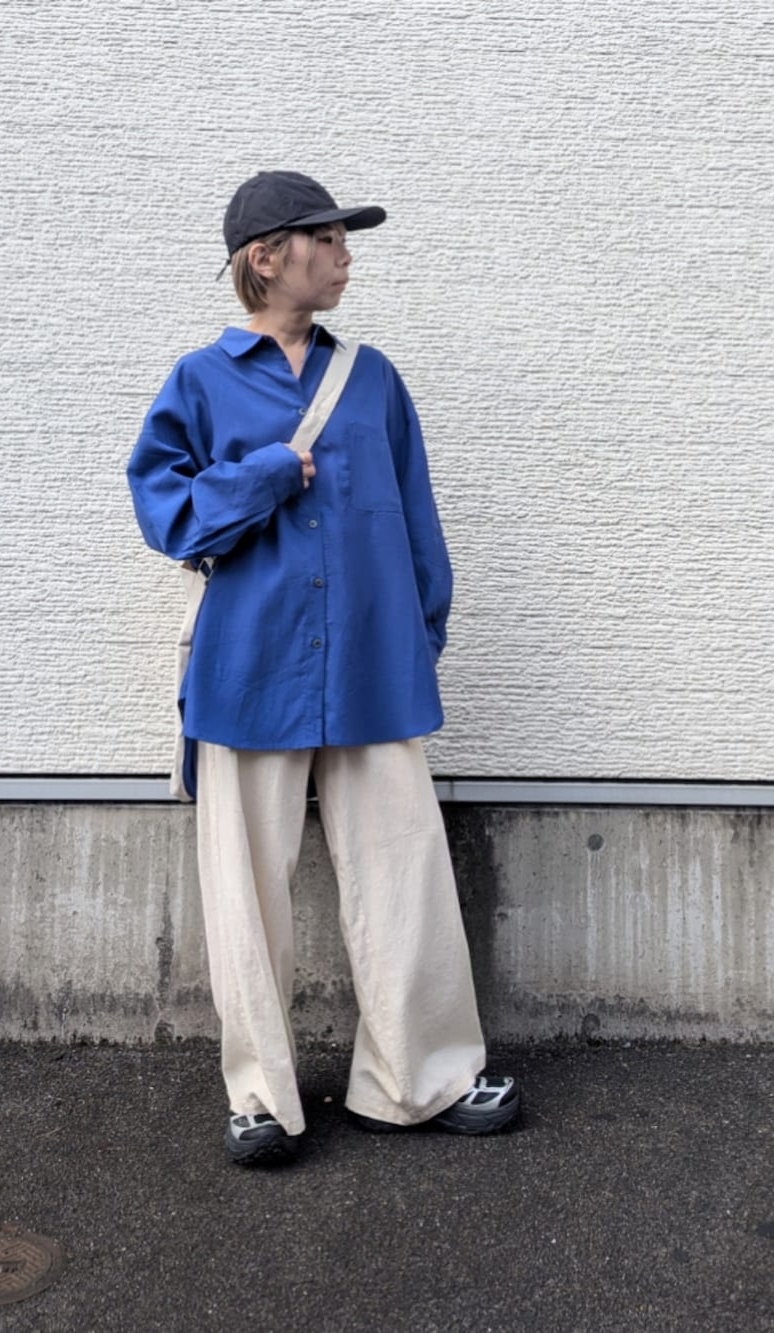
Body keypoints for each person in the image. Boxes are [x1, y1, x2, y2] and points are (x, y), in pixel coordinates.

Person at [127, 170, 520, 1164]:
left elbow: (416, 519)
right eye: (329, 239)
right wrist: (261, 476)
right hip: (249, 667)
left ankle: (422, 1077)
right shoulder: (200, 381)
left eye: (346, 241)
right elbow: (167, 515)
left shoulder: (373, 380)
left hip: (372, 664)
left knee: (403, 872)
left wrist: (419, 636)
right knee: (244, 888)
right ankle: (261, 1097)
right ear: (268, 257)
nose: (346, 256)